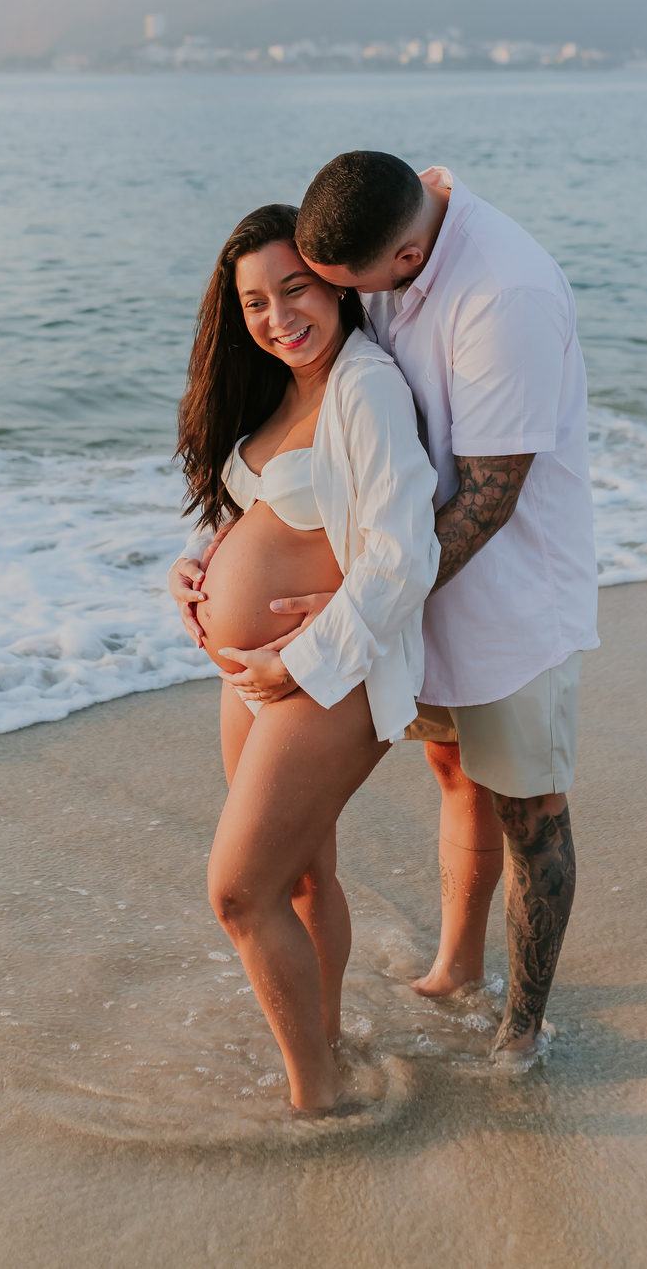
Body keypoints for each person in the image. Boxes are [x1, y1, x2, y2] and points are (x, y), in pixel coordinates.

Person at [286, 152, 598, 1071]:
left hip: (510, 600)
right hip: (420, 587)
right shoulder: (396, 228)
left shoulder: (504, 296)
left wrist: (361, 604)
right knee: (457, 775)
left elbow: (491, 497)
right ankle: (458, 970)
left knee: (531, 810)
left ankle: (523, 1032)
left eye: (358, 288)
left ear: (412, 257)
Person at [167, 203, 439, 1113]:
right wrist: (202, 565)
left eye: (296, 289)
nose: (279, 317)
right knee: (301, 877)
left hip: (329, 677)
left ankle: (316, 1103)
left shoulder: (366, 388)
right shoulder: (285, 385)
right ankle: (321, 1047)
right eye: (254, 302)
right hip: (259, 677)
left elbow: (405, 552)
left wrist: (301, 662)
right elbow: (271, 512)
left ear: (334, 282)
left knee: (240, 892)